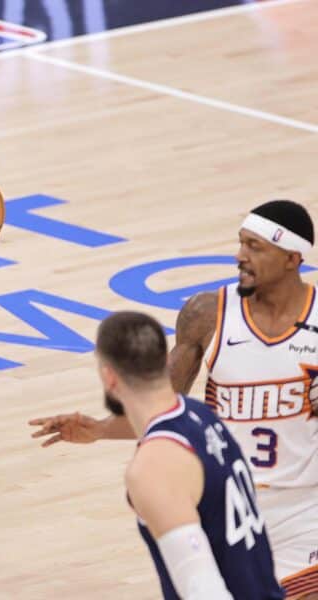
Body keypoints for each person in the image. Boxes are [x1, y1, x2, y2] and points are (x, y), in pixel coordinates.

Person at [30, 200, 318, 599]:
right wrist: (98, 429)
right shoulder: (208, 314)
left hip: (306, 510)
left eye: (254, 247)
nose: (240, 256)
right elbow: (163, 408)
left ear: (291, 259)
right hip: (226, 503)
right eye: (241, 243)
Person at [93, 311, 282, 599]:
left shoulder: (154, 466)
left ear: (109, 376)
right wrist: (97, 431)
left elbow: (202, 589)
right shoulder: (201, 415)